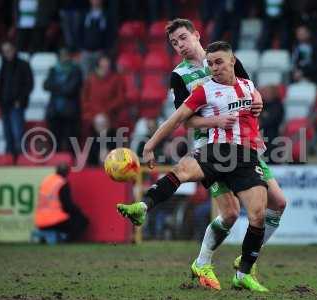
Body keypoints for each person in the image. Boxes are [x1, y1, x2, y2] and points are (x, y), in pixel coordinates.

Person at [118, 19, 287, 291]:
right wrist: (215, 122)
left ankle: (246, 259)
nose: (180, 46)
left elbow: (246, 86)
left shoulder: (222, 58)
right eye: (174, 43)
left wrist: (258, 97)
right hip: (211, 146)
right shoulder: (180, 76)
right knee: (231, 213)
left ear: (196, 35)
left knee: (277, 203)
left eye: (183, 38)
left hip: (246, 146)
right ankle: (204, 261)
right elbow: (185, 121)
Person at [0, 40, 33, 157]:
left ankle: (22, 158)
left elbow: (29, 84)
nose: (7, 54)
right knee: (7, 134)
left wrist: (20, 100)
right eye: (4, 52)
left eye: (9, 51)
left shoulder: (23, 65)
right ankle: (8, 159)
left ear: (14, 50)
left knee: (18, 134)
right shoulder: (3, 66)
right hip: (5, 105)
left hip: (17, 105)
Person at [34, 163, 88, 242]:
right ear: (67, 173)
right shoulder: (61, 183)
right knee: (82, 221)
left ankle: (46, 239)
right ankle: (67, 241)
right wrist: (78, 210)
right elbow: (67, 206)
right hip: (54, 222)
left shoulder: (47, 180)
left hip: (39, 222)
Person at [44, 48, 83, 152]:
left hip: (70, 112)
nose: (64, 58)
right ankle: (54, 161)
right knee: (54, 140)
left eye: (66, 55)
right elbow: (46, 85)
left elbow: (70, 90)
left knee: (71, 141)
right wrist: (62, 86)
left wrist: (55, 87)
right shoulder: (53, 69)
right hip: (54, 111)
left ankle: (72, 163)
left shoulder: (76, 70)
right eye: (62, 55)